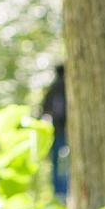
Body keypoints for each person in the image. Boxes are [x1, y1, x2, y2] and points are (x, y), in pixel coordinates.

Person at [41, 65, 68, 199]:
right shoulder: (64, 88)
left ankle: (59, 194)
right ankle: (64, 193)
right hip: (64, 132)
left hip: (55, 133)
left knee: (57, 164)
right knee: (64, 164)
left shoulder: (52, 89)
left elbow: (45, 111)